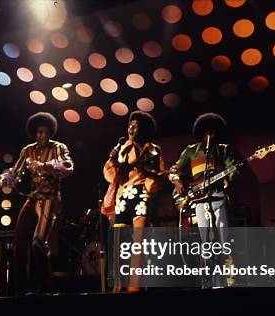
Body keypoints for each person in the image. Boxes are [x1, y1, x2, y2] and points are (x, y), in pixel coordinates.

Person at [1, 112, 74, 295]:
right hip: (33, 197)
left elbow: (68, 167)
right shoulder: (27, 150)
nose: (43, 135)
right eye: (39, 132)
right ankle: (21, 290)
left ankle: (45, 290)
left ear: (51, 132)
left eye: (46, 132)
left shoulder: (58, 147)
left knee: (38, 243)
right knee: (19, 243)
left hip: (50, 198)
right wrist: (2, 180)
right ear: (34, 132)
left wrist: (47, 166)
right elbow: (15, 173)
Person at [168, 112, 239, 288]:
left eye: (214, 132)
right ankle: (208, 281)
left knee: (224, 240)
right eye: (208, 132)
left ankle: (228, 281)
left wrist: (227, 179)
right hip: (199, 201)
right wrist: (177, 183)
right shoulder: (191, 151)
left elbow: (234, 169)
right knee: (206, 242)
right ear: (201, 133)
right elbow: (174, 170)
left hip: (218, 199)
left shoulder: (223, 149)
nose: (211, 135)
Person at [102, 111, 167, 292]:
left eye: (135, 125)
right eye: (130, 125)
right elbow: (111, 174)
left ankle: (136, 286)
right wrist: (112, 160)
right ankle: (119, 286)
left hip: (142, 194)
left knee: (140, 240)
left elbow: (162, 173)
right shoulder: (122, 148)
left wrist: (147, 178)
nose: (131, 128)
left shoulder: (154, 150)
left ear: (144, 129)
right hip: (123, 194)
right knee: (119, 241)